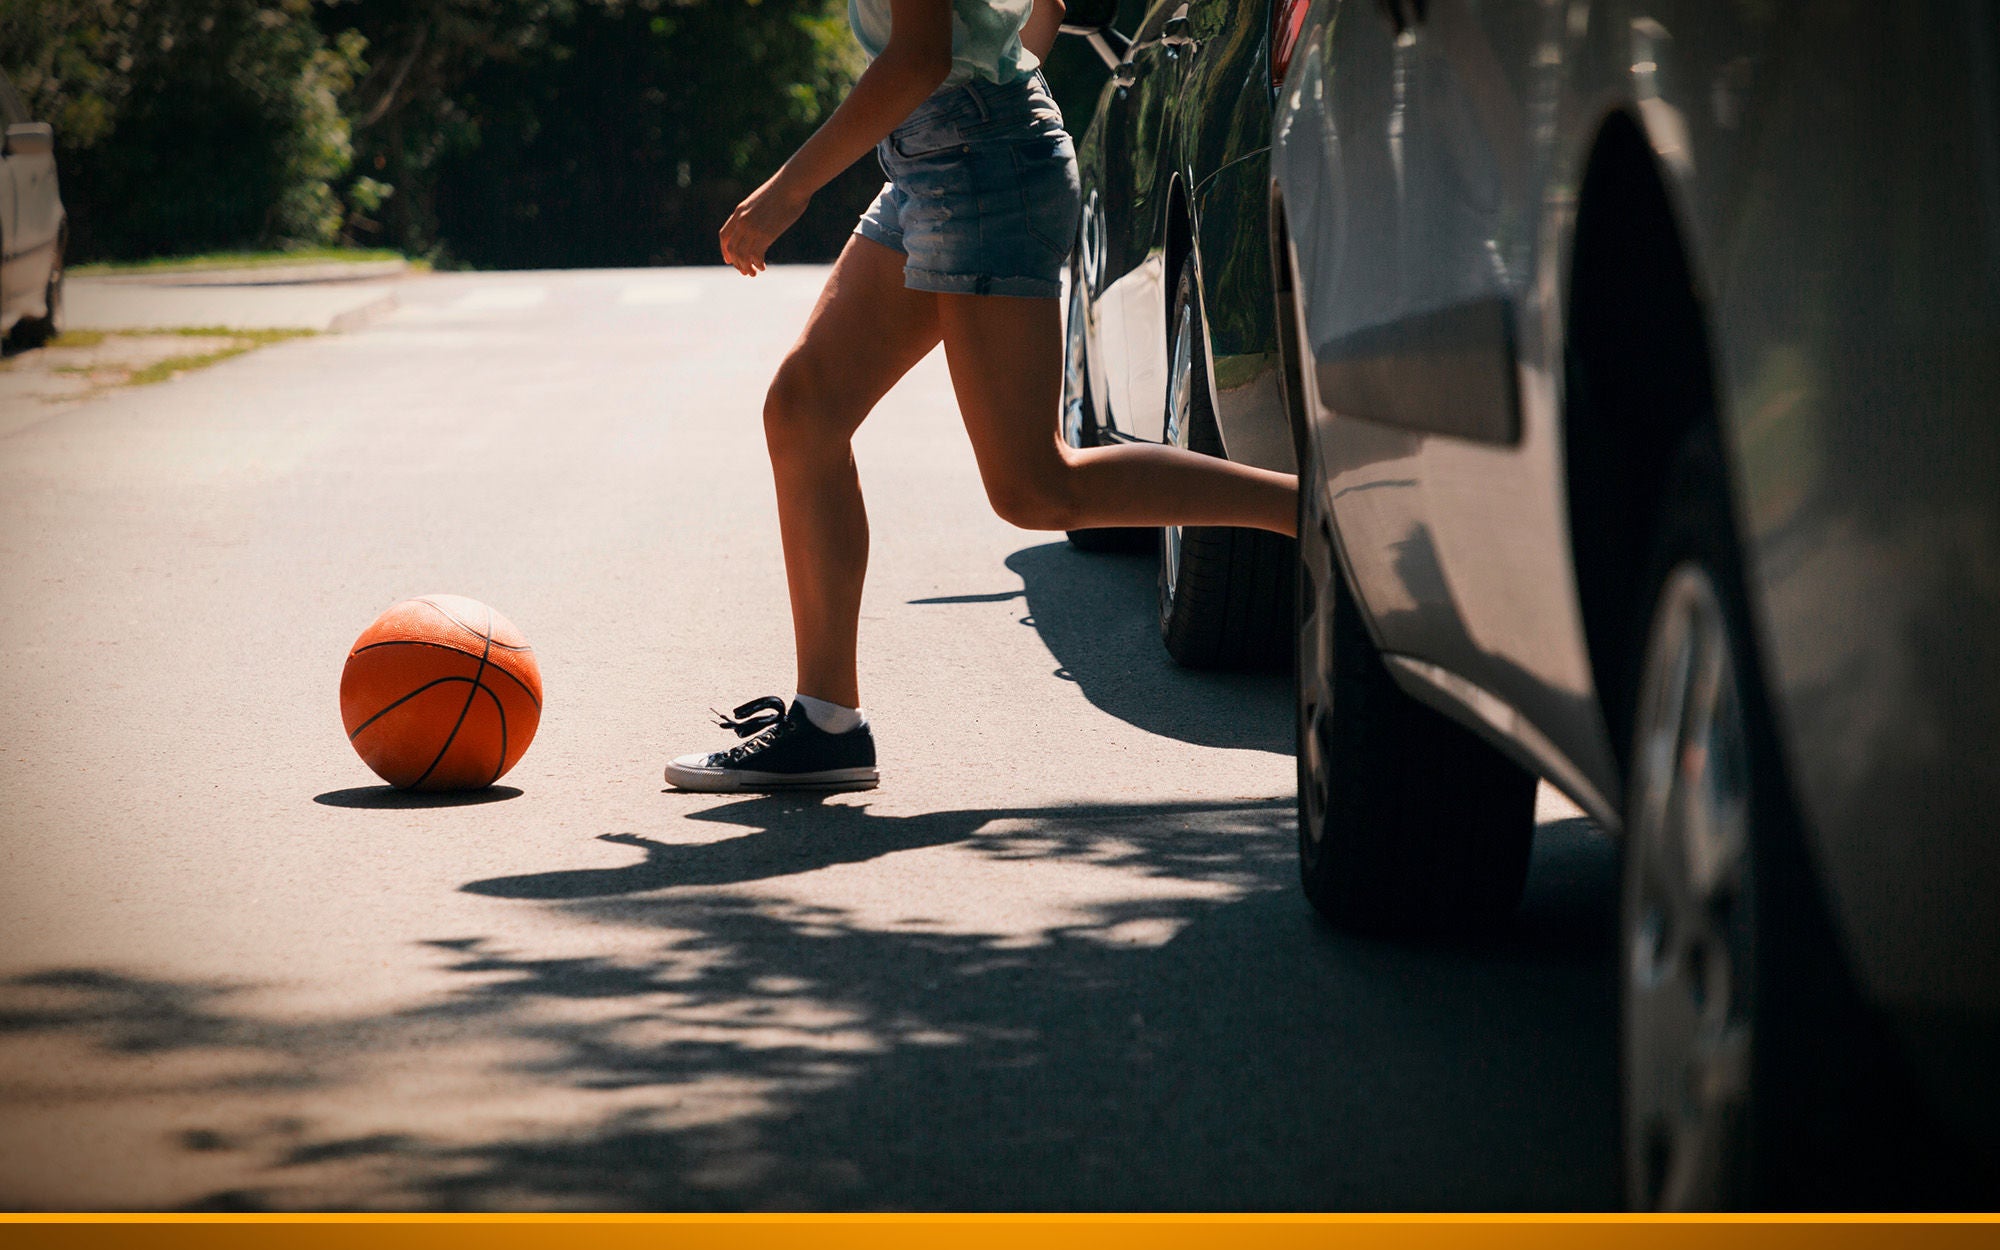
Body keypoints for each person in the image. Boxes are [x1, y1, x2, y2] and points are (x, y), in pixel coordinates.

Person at [664, 0, 1298, 792]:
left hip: (981, 167)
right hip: (946, 160)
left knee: (1036, 488)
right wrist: (996, 80)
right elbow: (1040, 13)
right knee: (804, 409)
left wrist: (788, 191)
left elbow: (920, 56)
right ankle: (827, 722)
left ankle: (1314, 515)